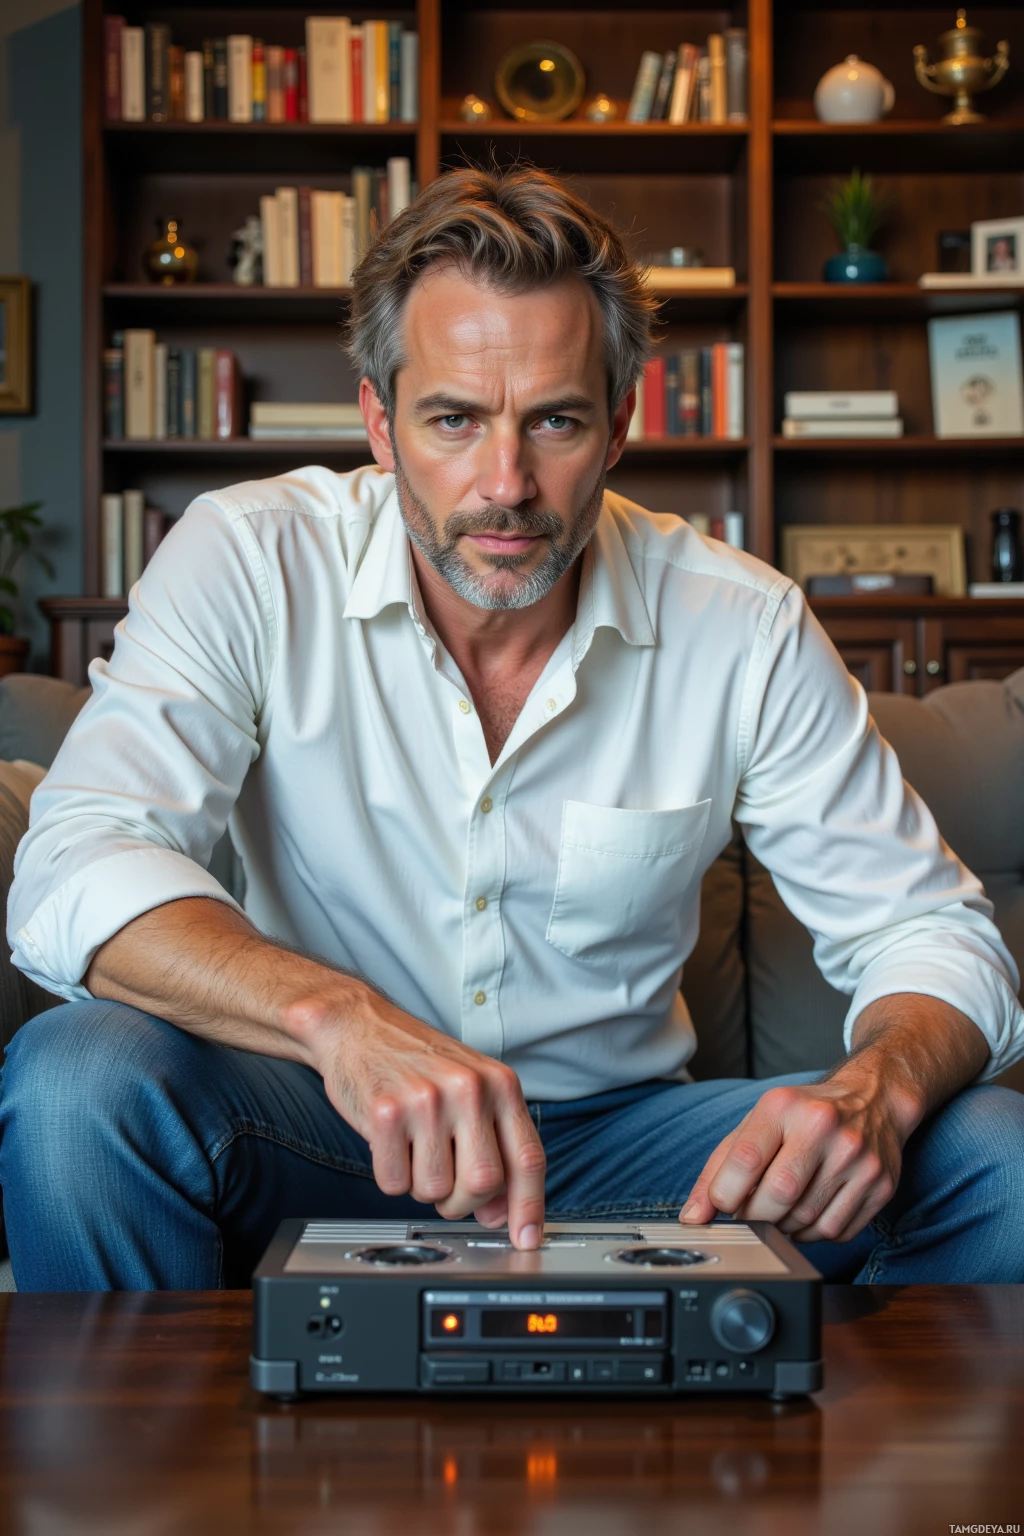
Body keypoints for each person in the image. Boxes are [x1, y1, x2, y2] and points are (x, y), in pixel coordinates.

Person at [2, 168, 1023, 1291]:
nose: (506, 484)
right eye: (453, 419)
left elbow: (934, 934)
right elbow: (75, 866)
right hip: (314, 1116)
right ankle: (150, 1463)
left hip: (621, 1150)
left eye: (555, 421)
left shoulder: (742, 624)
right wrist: (340, 1021)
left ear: (620, 425)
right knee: (73, 1081)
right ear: (380, 425)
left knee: (991, 1159)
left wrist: (872, 1090)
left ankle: (825, 1466)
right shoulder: (248, 559)